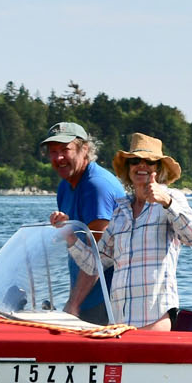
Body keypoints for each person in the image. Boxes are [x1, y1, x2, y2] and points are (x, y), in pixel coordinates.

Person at [88, 133, 192, 330]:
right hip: (118, 322)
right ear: (128, 168)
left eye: (149, 162)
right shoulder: (120, 211)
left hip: (155, 318)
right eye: (134, 161)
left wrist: (167, 202)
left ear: (159, 168)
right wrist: (70, 235)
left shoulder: (172, 198)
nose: (141, 166)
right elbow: (97, 262)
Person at [40, 121, 124, 323]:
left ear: (84, 149)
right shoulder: (65, 186)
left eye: (65, 150)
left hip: (106, 300)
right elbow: (75, 244)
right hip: (86, 296)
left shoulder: (96, 187)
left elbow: (98, 258)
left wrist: (73, 305)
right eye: (53, 151)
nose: (58, 158)